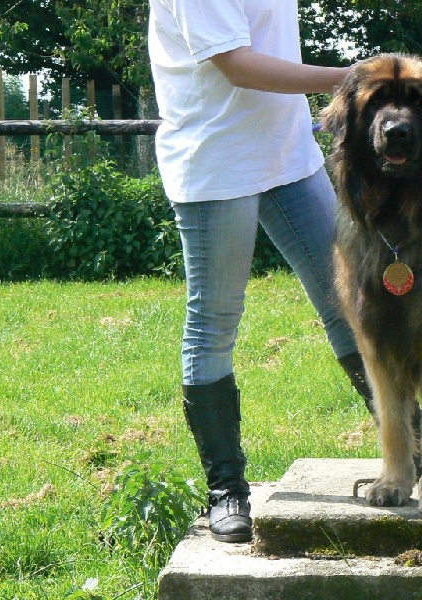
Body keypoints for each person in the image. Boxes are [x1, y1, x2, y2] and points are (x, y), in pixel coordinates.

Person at [147, 0, 375, 544]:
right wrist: (354, 79)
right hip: (216, 160)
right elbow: (237, 64)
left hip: (288, 153)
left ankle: (411, 445)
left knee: (348, 298)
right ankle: (226, 489)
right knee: (214, 321)